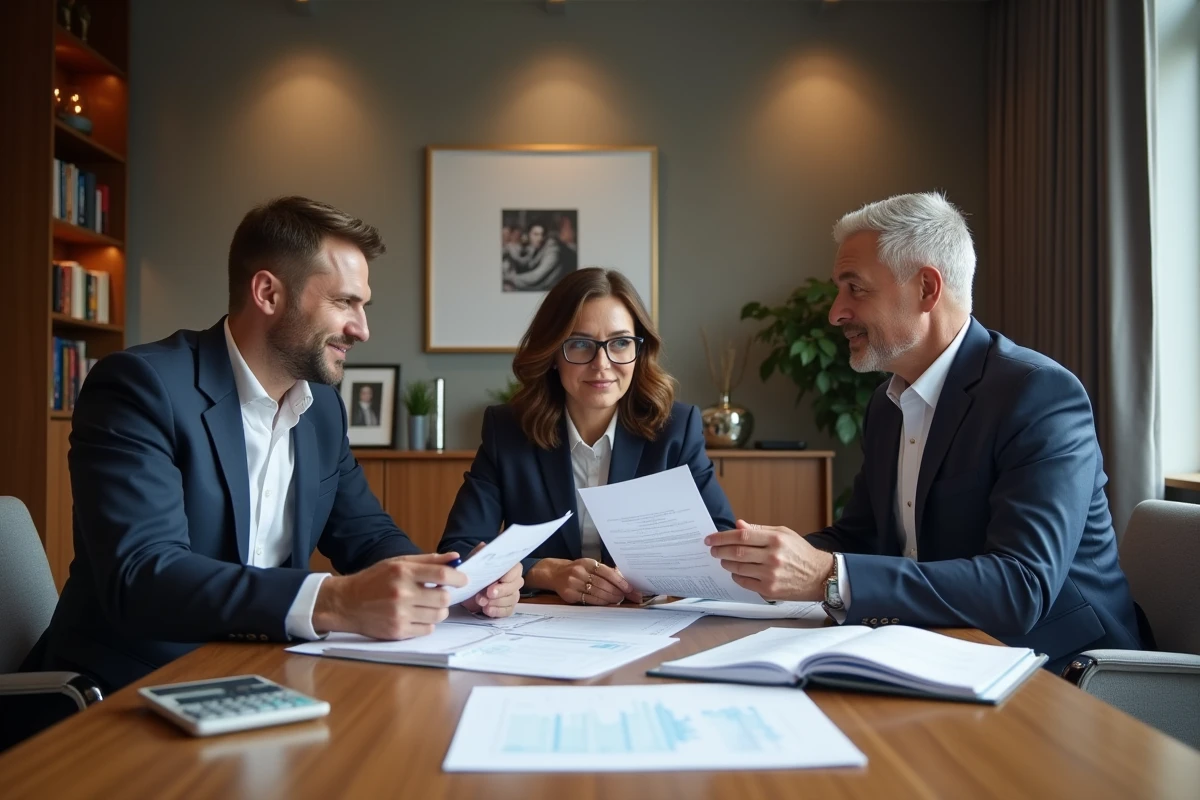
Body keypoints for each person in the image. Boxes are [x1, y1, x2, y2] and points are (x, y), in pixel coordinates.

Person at [24, 196, 525, 699]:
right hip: (122, 693)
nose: (363, 329)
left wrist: (450, 584)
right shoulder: (140, 387)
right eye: (344, 302)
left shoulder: (322, 409)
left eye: (363, 305)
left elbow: (367, 537)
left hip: (257, 677)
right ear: (267, 292)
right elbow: (143, 575)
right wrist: (334, 600)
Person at [707, 192, 1144, 673]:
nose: (835, 312)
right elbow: (863, 535)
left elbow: (1022, 587)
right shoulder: (887, 404)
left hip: (1064, 668)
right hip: (939, 646)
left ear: (926, 290)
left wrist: (828, 576)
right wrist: (732, 567)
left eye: (856, 289)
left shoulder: (1038, 394)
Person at [439, 267, 734, 605]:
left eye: (620, 343)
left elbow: (722, 541)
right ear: (552, 353)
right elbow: (458, 550)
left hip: (645, 624)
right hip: (542, 625)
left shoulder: (675, 428)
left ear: (639, 351)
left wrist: (657, 578)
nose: (602, 363)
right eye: (581, 344)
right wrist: (546, 571)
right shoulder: (507, 430)